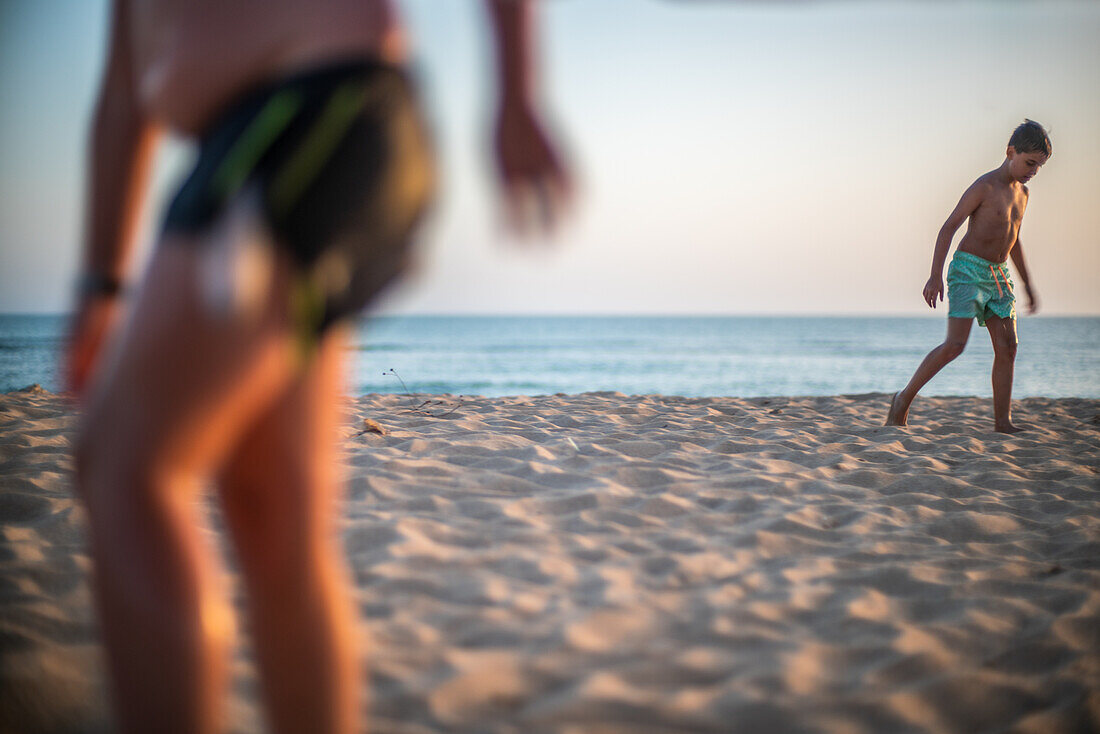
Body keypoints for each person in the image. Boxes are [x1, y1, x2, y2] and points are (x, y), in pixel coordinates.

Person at [67, 2, 571, 733]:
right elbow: (124, 92)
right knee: (277, 517)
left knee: (123, 469)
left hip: (310, 118)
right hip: (284, 141)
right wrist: (101, 285)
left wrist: (517, 91)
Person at [885, 119, 1050, 434]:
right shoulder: (985, 187)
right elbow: (949, 227)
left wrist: (1028, 285)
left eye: (1039, 166)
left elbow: (1014, 242)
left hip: (999, 276)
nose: (1033, 171)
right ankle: (903, 399)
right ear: (1010, 151)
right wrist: (935, 276)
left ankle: (1003, 422)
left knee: (1009, 347)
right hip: (967, 270)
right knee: (955, 345)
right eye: (1029, 162)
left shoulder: (1023, 194)